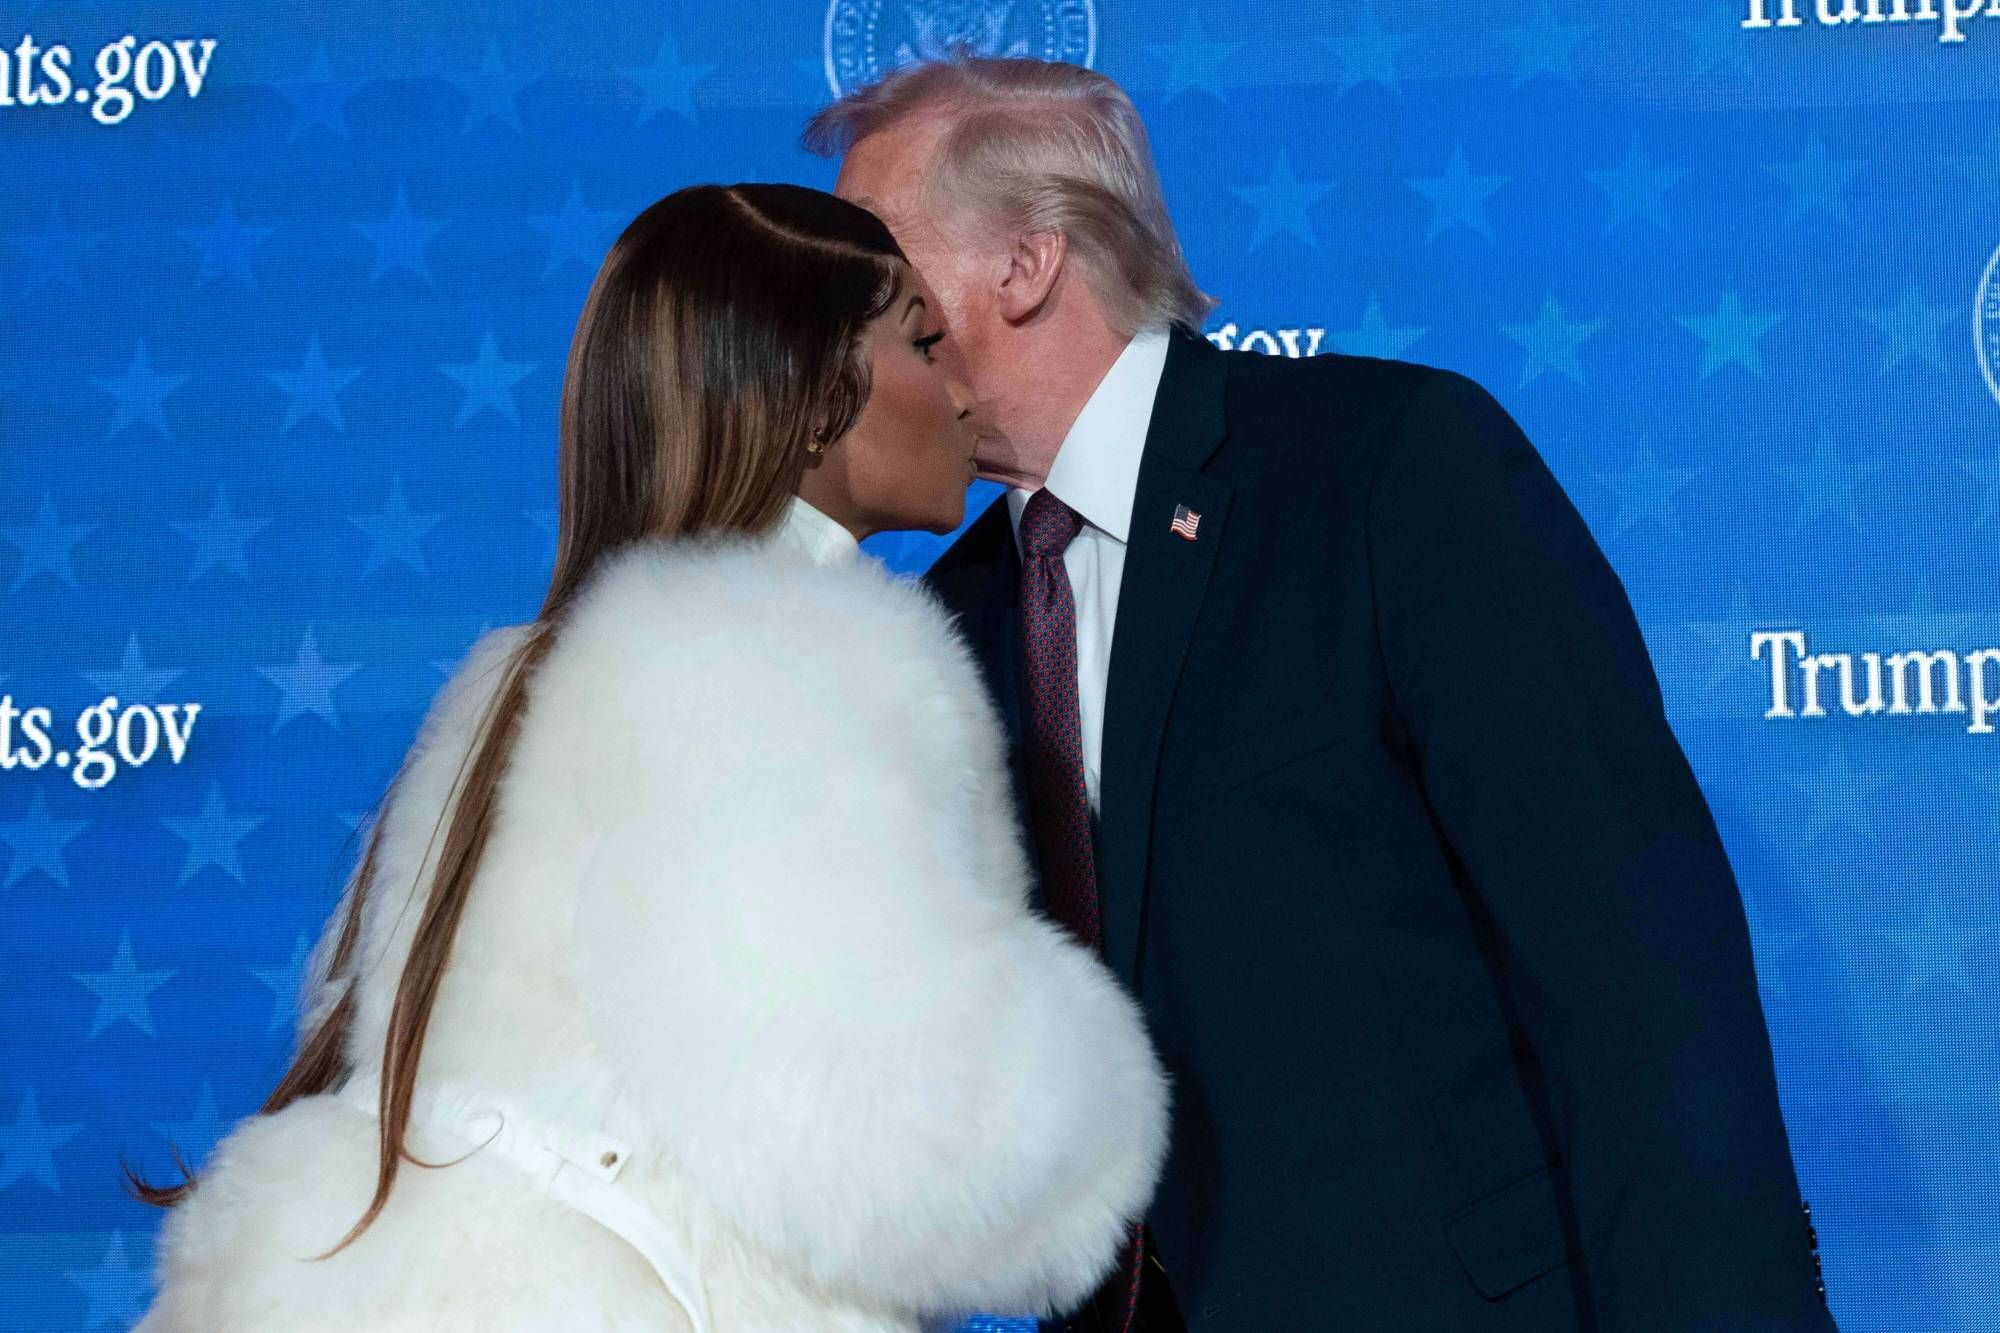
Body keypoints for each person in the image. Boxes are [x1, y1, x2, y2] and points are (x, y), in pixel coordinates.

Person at [805, 56, 1837, 1332]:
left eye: (876, 264)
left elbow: (1632, 969)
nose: (837, 314)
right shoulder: (947, 622)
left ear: (1025, 264)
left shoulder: (1386, 468)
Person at [126, 182, 1169, 1333]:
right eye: (922, 344)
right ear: (813, 393)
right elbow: (910, 1160)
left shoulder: (522, 678)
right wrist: (1107, 1092)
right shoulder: (798, 665)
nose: (964, 390)